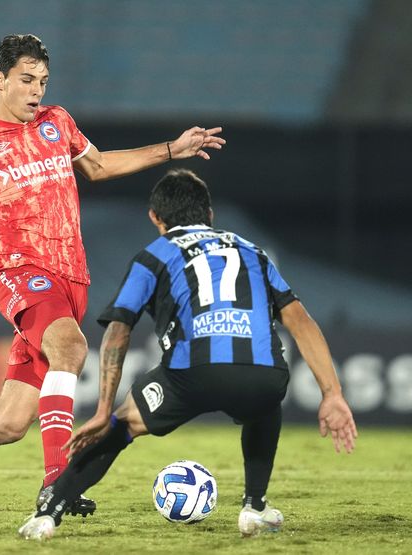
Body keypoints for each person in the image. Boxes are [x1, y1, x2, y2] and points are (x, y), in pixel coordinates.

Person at [0, 35, 226, 515]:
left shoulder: (58, 122)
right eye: (27, 80)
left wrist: (172, 149)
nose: (36, 91)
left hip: (71, 279)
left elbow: (97, 165)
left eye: (43, 81)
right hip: (22, 275)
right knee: (71, 348)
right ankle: (58, 487)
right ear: (0, 80)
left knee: (8, 424)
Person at [19, 169, 357, 540]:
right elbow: (301, 321)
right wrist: (332, 394)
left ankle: (48, 514)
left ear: (156, 218)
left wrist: (103, 409)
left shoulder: (155, 255)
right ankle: (254, 507)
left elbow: (119, 328)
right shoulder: (253, 251)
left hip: (192, 374)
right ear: (209, 214)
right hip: (263, 373)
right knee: (264, 404)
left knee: (122, 424)